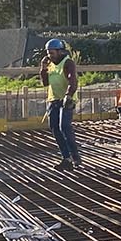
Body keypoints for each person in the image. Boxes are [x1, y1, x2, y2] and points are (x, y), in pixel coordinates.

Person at [41, 39, 79, 170]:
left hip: (66, 99)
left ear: (60, 51)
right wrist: (43, 69)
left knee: (64, 127)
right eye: (48, 53)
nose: (50, 56)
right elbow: (45, 83)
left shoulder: (68, 63)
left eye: (52, 53)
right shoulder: (50, 64)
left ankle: (75, 157)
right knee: (55, 129)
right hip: (53, 99)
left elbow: (72, 80)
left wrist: (68, 96)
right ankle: (66, 158)